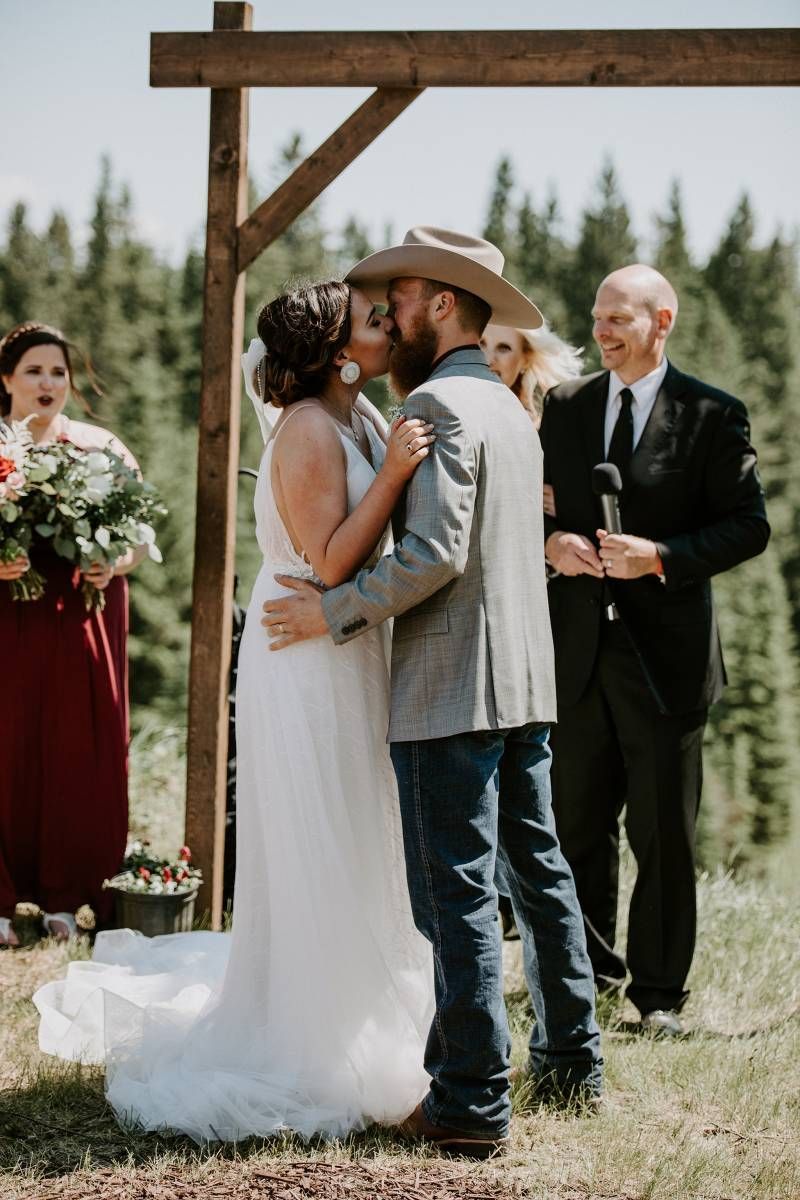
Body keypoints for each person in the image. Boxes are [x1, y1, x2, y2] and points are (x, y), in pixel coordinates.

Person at [36, 281, 437, 1143]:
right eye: (373, 322)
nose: (388, 326)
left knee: (359, 823)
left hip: (348, 648)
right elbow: (329, 562)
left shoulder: (361, 414)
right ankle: (313, 1033)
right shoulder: (305, 430)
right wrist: (400, 470)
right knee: (319, 828)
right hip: (307, 658)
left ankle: (362, 1000)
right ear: (338, 356)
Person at [262, 227, 603, 1158]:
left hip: (455, 687)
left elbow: (433, 555)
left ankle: (469, 1101)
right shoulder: (503, 404)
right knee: (538, 873)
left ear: (442, 304)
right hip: (525, 682)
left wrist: (334, 613)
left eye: (398, 303)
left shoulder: (446, 406)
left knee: (451, 900)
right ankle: (573, 1061)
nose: (389, 318)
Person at [539, 264, 770, 1035]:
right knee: (578, 828)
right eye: (598, 316)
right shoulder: (564, 408)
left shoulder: (712, 414)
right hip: (576, 653)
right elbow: (527, 507)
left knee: (663, 835)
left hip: (665, 661)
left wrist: (661, 556)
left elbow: (749, 527)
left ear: (662, 321)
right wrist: (553, 543)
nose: (602, 331)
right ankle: (586, 980)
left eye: (619, 319)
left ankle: (659, 998)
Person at [0, 322, 146, 948]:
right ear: (6, 379)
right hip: (6, 621)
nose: (48, 383)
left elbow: (140, 539)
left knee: (72, 754)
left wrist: (112, 562)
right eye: (34, 371)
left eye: (58, 372)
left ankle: (70, 895)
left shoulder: (100, 447)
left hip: (77, 622)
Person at [479, 321, 582, 937]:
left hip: (539, 617)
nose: (492, 360)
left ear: (526, 360)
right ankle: (497, 903)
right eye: (485, 345)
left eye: (505, 349)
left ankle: (520, 904)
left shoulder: (547, 434)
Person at [480, 321, 583, 426]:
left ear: (525, 360)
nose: (487, 360)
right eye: (481, 343)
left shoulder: (531, 429)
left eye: (504, 348)